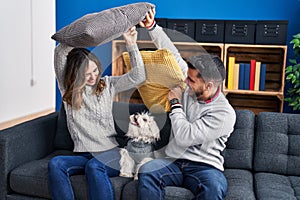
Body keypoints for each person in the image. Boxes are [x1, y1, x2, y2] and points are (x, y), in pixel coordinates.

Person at [137, 9, 236, 200]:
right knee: (148, 171)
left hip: (205, 166)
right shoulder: (189, 84)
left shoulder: (224, 114)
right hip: (172, 162)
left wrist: (175, 103)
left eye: (191, 81)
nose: (186, 82)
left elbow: (184, 137)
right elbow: (172, 54)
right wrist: (152, 27)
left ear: (209, 85)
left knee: (214, 188)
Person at [48, 26, 146, 200]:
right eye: (86, 74)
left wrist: (131, 44)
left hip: (111, 154)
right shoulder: (68, 90)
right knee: (56, 163)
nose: (94, 77)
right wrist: (88, 33)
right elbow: (61, 51)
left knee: (94, 166)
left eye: (95, 70)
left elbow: (138, 76)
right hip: (82, 154)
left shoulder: (108, 85)